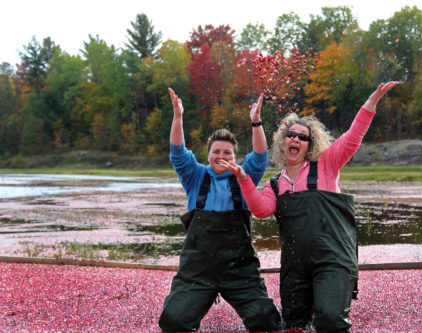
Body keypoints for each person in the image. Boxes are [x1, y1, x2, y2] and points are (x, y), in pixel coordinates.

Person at [220, 81, 400, 332]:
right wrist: (243, 179)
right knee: (295, 324)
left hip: (333, 257)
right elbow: (261, 210)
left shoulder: (327, 163)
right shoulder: (274, 184)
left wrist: (370, 104)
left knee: (330, 322)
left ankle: (327, 301)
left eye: (302, 137)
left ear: (310, 144)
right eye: (290, 135)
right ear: (283, 142)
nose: (295, 138)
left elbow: (353, 137)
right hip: (296, 265)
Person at [158, 88, 281, 332]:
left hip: (239, 268)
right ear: (208, 154)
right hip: (197, 270)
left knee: (266, 321)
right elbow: (178, 152)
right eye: (216, 152)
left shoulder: (244, 176)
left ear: (235, 157)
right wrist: (178, 115)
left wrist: (256, 122)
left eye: (227, 153)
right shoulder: (194, 175)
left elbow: (260, 156)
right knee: (173, 322)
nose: (221, 156)